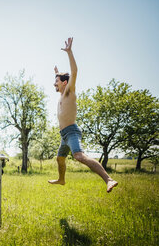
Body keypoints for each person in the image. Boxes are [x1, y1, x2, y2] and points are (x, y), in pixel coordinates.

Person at [48, 37, 118, 193]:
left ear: (65, 83)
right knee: (60, 158)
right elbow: (62, 78)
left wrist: (69, 52)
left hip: (72, 131)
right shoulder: (61, 95)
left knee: (79, 156)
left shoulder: (69, 91)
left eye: (57, 81)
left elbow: (74, 72)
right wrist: (56, 73)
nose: (54, 84)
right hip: (64, 135)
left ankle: (109, 179)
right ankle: (61, 179)